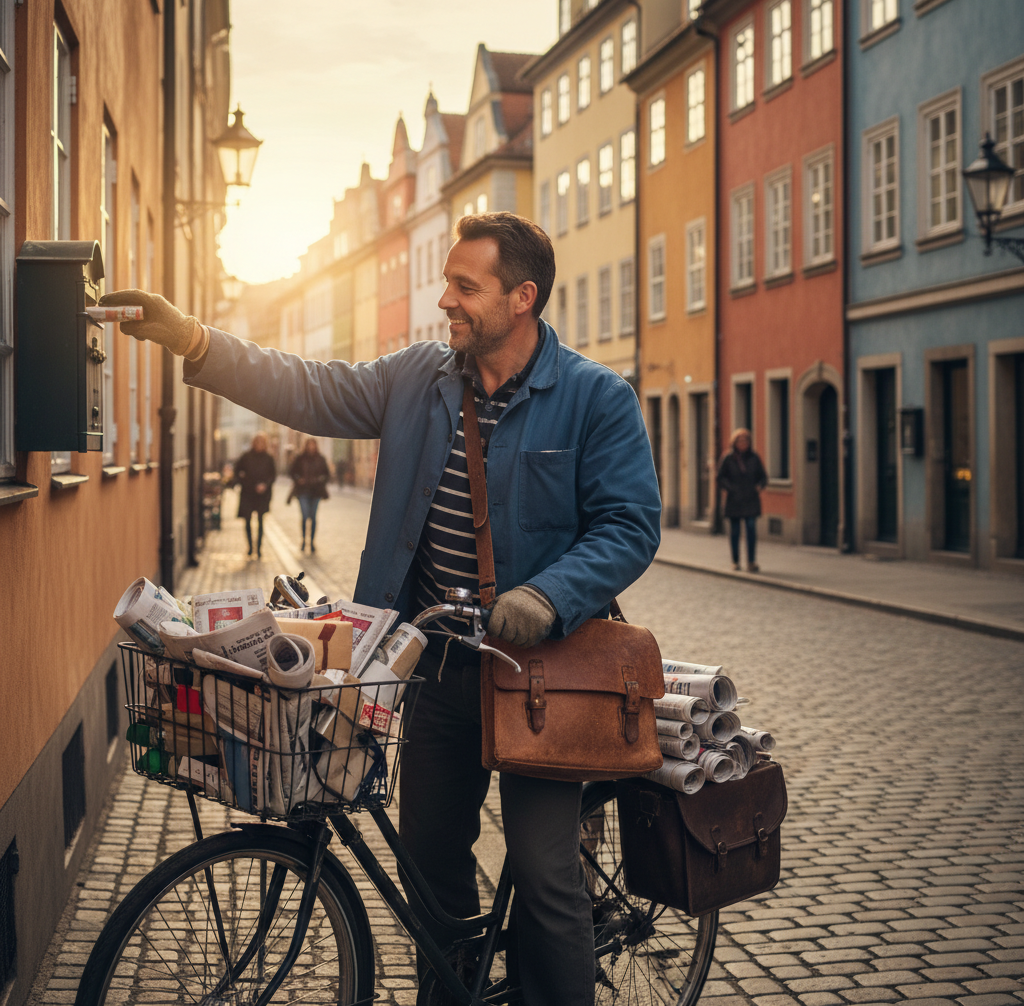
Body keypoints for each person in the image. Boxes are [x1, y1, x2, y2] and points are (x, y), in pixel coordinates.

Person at [100, 212, 661, 1006]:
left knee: (543, 871)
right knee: (430, 861)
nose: (446, 300)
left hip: (544, 676)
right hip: (433, 672)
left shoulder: (596, 399)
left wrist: (549, 595)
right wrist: (197, 340)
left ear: (522, 298)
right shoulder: (418, 380)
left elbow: (630, 525)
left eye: (466, 286)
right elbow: (307, 385)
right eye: (448, 282)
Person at [716, 427, 767, 573]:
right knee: (735, 531)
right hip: (734, 500)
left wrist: (759, 486)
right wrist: (730, 489)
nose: (743, 443)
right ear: (735, 442)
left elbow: (763, 477)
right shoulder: (728, 458)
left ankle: (751, 561)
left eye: (745, 440)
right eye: (740, 440)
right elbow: (720, 477)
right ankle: (735, 561)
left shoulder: (754, 458)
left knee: (751, 529)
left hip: (751, 499)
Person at [233, 432, 276, 558]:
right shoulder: (246, 456)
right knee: (247, 520)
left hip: (263, 494)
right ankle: (250, 547)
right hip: (248, 493)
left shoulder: (269, 458)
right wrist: (245, 481)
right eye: (257, 442)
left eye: (261, 443)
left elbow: (272, 475)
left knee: (261, 521)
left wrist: (265, 485)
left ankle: (259, 547)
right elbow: (238, 471)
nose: (259, 445)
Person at [289, 437, 331, 552]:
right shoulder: (300, 458)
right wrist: (298, 479)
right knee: (304, 516)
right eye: (309, 445)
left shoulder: (320, 458)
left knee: (313, 517)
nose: (311, 447)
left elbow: (326, 474)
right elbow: (292, 472)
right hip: (303, 491)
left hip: (316, 492)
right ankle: (303, 540)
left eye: (313, 445)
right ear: (306, 446)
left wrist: (320, 480)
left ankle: (312, 542)